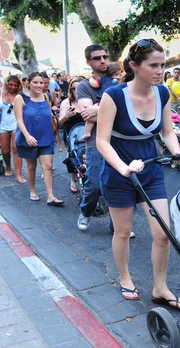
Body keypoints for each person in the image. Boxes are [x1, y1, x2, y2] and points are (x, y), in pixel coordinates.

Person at [96, 38, 180, 305]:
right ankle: (125, 276)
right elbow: (102, 141)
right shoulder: (114, 96)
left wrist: (177, 151)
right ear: (134, 66)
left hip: (150, 172)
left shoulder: (162, 93)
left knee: (163, 233)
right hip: (119, 174)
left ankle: (159, 288)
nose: (160, 70)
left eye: (162, 65)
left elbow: (168, 131)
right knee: (123, 231)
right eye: (153, 65)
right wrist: (123, 168)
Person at [14, 72, 64, 206]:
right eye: (35, 82)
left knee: (47, 166)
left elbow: (50, 118)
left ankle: (51, 196)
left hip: (46, 137)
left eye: (41, 82)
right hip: (29, 138)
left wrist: (56, 134)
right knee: (31, 166)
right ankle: (32, 190)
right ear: (28, 83)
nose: (39, 85)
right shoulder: (21, 98)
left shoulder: (47, 96)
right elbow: (19, 120)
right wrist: (27, 135)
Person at [75, 44, 111, 231]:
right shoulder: (83, 86)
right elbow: (87, 114)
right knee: (95, 183)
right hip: (96, 140)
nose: (103, 60)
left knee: (122, 184)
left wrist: (99, 110)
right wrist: (112, 109)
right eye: (97, 58)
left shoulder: (118, 81)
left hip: (119, 139)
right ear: (88, 62)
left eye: (105, 56)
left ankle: (119, 224)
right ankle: (86, 212)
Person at [0, 75, 27, 183]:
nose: (13, 87)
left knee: (16, 148)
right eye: (10, 85)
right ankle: (8, 166)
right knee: (5, 151)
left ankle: (19, 174)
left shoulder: (21, 95)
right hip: (2, 124)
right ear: (6, 83)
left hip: (16, 124)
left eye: (15, 85)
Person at [59, 76, 86, 193]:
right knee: (74, 157)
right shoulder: (67, 102)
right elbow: (60, 122)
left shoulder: (89, 100)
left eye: (78, 88)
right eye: (73, 88)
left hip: (88, 134)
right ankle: (73, 179)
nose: (76, 91)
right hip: (73, 135)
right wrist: (66, 116)